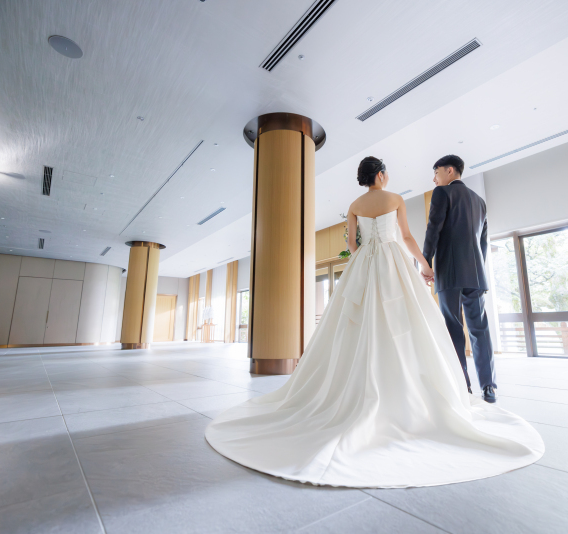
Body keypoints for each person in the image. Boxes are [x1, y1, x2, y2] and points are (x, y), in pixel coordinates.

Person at [205, 156, 543, 488]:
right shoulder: (396, 199)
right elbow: (407, 238)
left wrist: (365, 257)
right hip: (395, 262)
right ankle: (460, 386)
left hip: (363, 265)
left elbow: (352, 245)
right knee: (410, 323)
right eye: (387, 172)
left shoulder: (354, 204)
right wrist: (425, 265)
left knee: (357, 323)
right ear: (380, 175)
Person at [422, 155, 497, 403]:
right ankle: (489, 387)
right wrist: (478, 269)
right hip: (475, 274)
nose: (434, 178)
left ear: (450, 171)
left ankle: (462, 384)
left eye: (436, 172)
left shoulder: (442, 194)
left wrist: (426, 263)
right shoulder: (480, 202)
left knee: (453, 328)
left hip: (450, 272)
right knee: (479, 329)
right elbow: (483, 244)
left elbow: (433, 229)